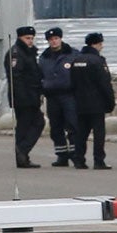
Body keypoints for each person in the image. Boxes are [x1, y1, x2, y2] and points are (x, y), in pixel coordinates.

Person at [72, 32, 117, 170]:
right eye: (100, 44)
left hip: (79, 103)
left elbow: (72, 82)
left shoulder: (76, 60)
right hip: (96, 103)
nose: (101, 47)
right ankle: (99, 160)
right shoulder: (98, 61)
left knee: (81, 133)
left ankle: (79, 159)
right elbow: (104, 84)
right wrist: (110, 102)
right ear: (96, 44)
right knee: (98, 133)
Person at [39, 27, 78, 168]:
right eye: (51, 40)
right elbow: (40, 76)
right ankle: (62, 155)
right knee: (55, 127)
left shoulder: (72, 54)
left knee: (73, 125)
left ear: (60, 39)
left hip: (69, 95)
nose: (54, 42)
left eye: (56, 39)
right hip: (52, 96)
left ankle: (76, 155)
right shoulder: (44, 58)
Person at [5, 25, 43, 168]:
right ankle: (22, 151)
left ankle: (22, 155)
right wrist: (23, 98)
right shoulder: (16, 53)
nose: (30, 41)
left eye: (32, 38)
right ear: (20, 38)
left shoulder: (28, 53)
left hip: (31, 96)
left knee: (27, 126)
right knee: (33, 124)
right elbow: (16, 78)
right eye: (27, 38)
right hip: (24, 98)